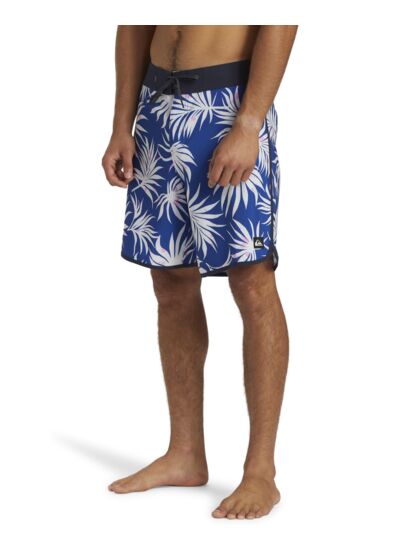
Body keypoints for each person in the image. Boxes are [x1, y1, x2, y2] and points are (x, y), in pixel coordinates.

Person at [102, 24, 298, 520]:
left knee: (252, 281)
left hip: (227, 106)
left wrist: (249, 123)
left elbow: (280, 19)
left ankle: (261, 471)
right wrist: (122, 122)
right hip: (156, 110)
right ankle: (185, 453)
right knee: (170, 282)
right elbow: (135, 23)